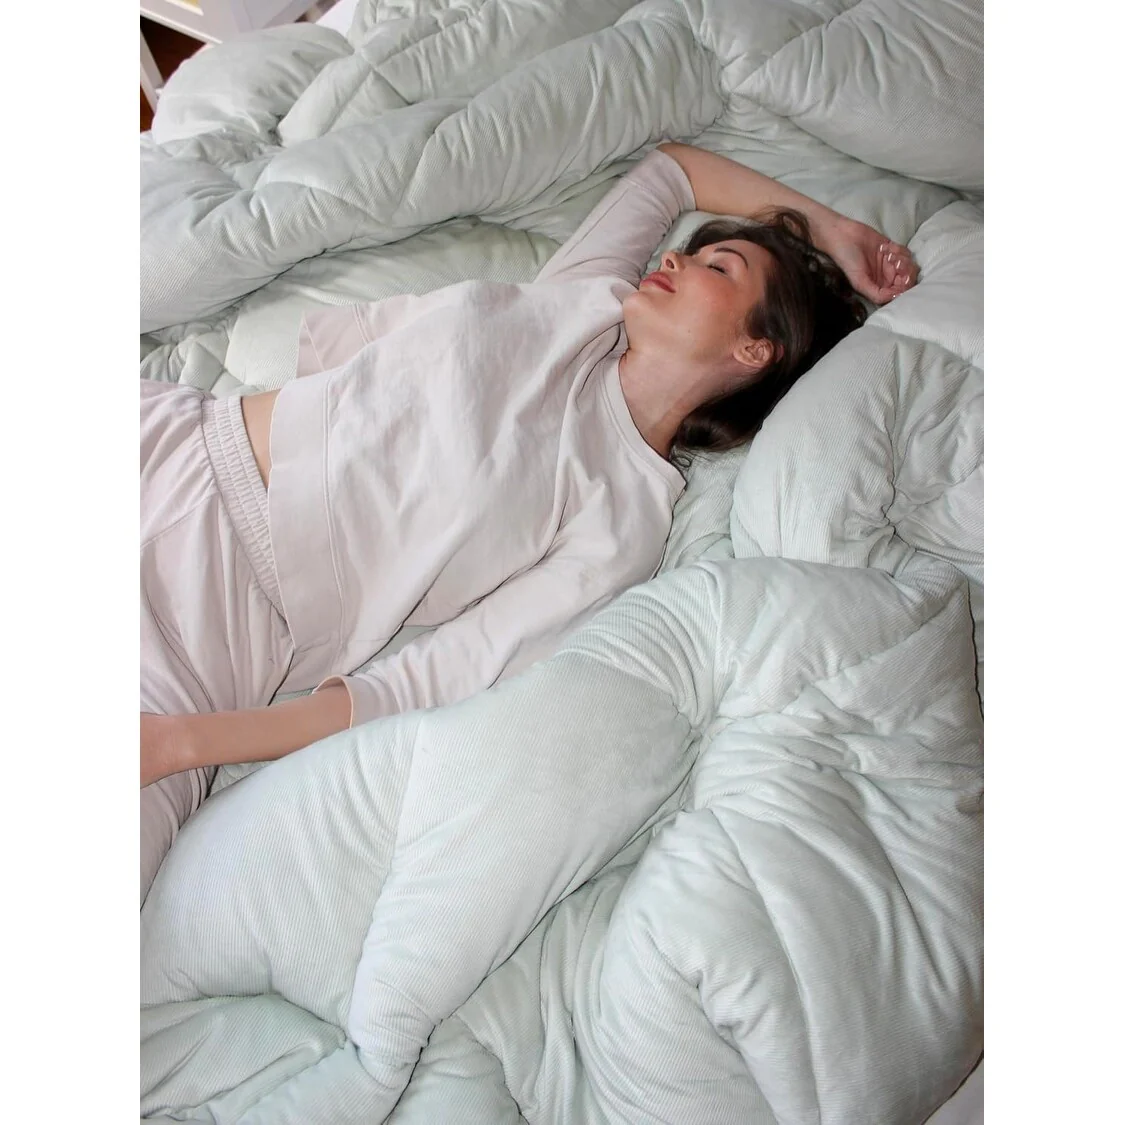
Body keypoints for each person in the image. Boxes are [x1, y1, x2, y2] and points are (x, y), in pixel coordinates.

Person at [139, 141, 918, 902]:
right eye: (688, 252)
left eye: (717, 268)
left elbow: (418, 682)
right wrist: (833, 229)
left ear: (755, 350)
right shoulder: (579, 302)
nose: (675, 260)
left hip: (215, 621)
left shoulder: (622, 522)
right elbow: (672, 171)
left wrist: (183, 741)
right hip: (174, 440)